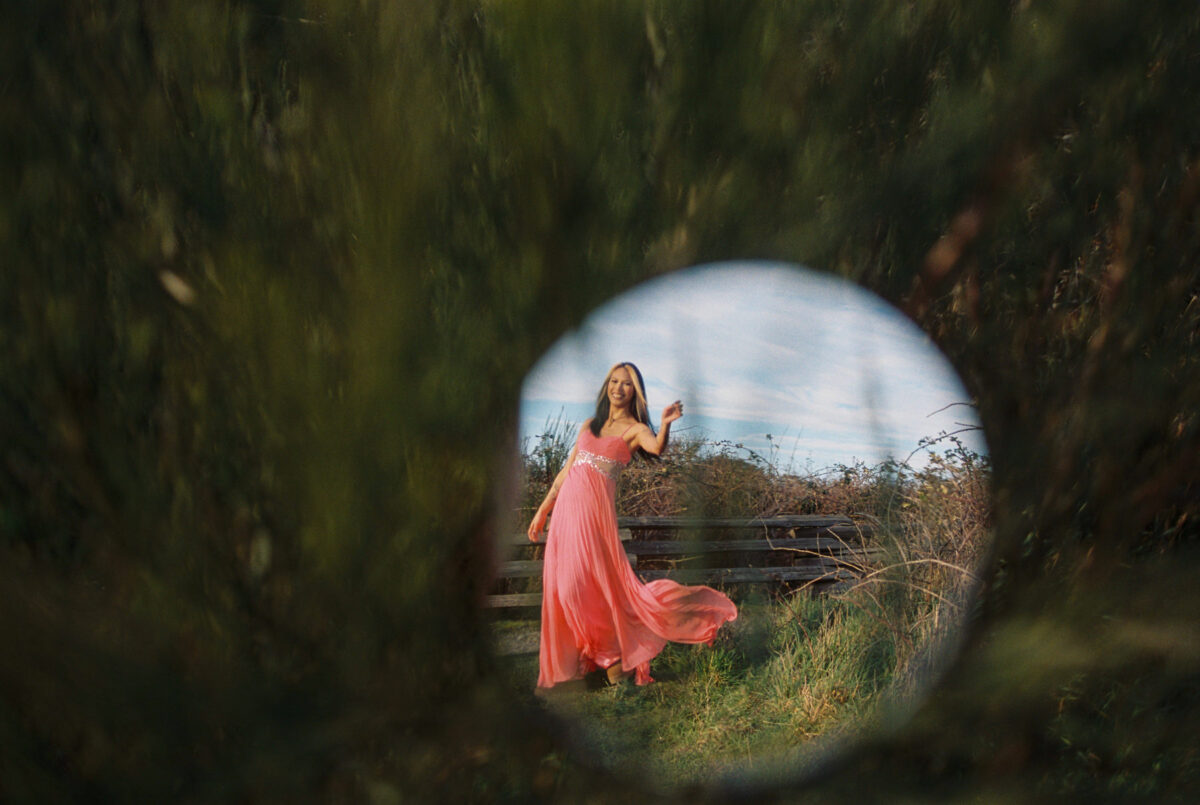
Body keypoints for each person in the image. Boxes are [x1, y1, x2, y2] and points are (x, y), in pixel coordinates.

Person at [528, 362, 738, 688]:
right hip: (565, 520)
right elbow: (565, 473)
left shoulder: (636, 429)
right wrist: (542, 510)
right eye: (614, 381)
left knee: (589, 588)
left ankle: (612, 656)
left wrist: (665, 424)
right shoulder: (588, 425)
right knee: (564, 590)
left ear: (635, 391)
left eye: (626, 384)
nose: (618, 388)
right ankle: (586, 661)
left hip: (595, 524)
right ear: (606, 385)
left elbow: (656, 447)